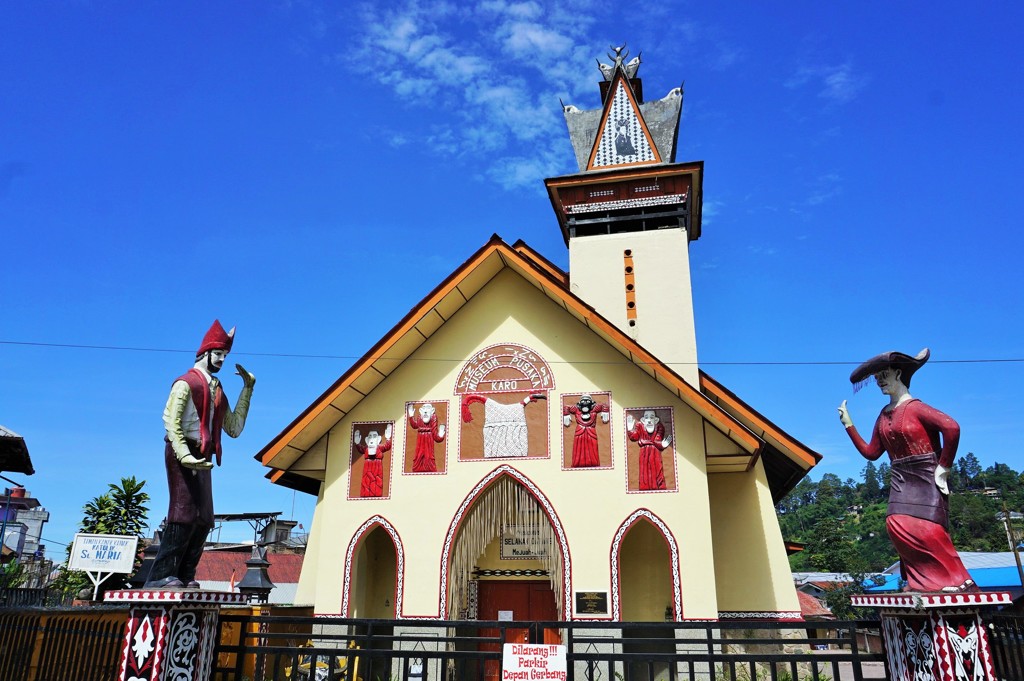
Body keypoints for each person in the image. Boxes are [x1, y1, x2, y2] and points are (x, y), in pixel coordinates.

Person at [838, 348, 975, 592]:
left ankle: (956, 580)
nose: (879, 380)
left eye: (883, 374)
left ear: (898, 373)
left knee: (927, 528)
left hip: (926, 472)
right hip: (900, 476)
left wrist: (944, 467)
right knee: (896, 523)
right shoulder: (883, 415)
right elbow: (872, 453)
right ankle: (920, 581)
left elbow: (951, 428)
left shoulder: (915, 408)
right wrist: (849, 424)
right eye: (877, 377)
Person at [145, 320, 255, 589]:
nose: (221, 360)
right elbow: (171, 422)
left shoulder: (218, 390)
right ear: (204, 353)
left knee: (204, 517)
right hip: (182, 451)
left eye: (225, 356)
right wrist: (183, 454)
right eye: (218, 354)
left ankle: (184, 574)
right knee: (183, 511)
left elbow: (233, 427)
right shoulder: (186, 383)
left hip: (202, 455)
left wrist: (247, 389)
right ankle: (161, 575)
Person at [626, 409, 671, 490]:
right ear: (643, 420)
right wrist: (629, 429)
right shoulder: (639, 426)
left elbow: (657, 439)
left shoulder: (659, 427)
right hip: (644, 454)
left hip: (655, 453)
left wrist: (662, 445)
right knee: (644, 475)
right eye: (647, 418)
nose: (649, 421)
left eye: (652, 417)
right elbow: (634, 437)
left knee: (658, 472)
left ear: (656, 420)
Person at [563, 394, 610, 467]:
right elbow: (566, 407)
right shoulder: (577, 410)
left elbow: (604, 405)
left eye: (587, 401)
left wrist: (605, 411)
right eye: (583, 401)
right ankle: (577, 464)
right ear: (579, 403)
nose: (585, 402)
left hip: (591, 433)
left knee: (592, 450)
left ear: (591, 403)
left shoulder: (594, 409)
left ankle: (593, 463)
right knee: (578, 450)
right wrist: (566, 414)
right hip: (579, 433)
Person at [354, 424, 392, 497]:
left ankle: (376, 494)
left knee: (377, 482)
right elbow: (361, 449)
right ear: (367, 439)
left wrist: (388, 438)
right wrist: (357, 443)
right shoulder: (366, 449)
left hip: (377, 467)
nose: (371, 439)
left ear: (378, 439)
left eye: (374, 436)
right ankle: (366, 494)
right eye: (370, 436)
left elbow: (387, 446)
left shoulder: (380, 448)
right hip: (367, 467)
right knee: (366, 482)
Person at [408, 403, 445, 473]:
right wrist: (411, 415)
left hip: (428, 439)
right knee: (419, 454)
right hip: (420, 439)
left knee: (428, 455)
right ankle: (417, 467)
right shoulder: (420, 418)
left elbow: (434, 433)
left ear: (432, 410)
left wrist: (440, 435)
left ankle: (429, 468)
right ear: (421, 411)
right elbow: (414, 425)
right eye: (424, 409)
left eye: (428, 409)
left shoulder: (433, 418)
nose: (425, 411)